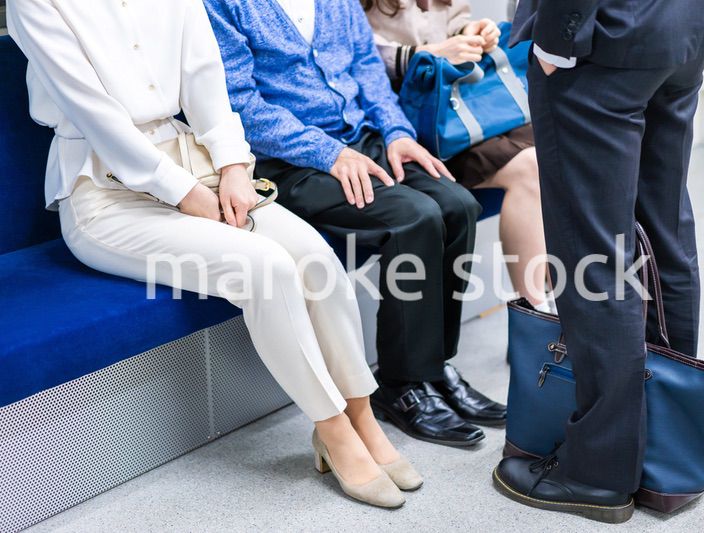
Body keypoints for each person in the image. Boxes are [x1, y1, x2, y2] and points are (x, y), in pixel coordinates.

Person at [7, 0, 421, 509]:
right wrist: (182, 192)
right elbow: (93, 112)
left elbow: (205, 79)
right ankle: (333, 431)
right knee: (264, 266)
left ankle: (361, 414)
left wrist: (233, 166)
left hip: (195, 162)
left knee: (313, 255)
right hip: (104, 192)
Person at [204, 0, 508, 449]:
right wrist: (328, 153)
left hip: (360, 139)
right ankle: (402, 385)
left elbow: (367, 68)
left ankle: (433, 368)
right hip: (287, 162)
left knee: (457, 205)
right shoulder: (223, 5)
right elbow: (241, 104)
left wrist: (397, 133)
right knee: (414, 217)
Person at [493, 0, 704, 524]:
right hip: (683, 28)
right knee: (665, 235)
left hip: (602, 36)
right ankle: (663, 445)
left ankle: (599, 471)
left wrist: (557, 39)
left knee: (593, 256)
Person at [362, 0, 552, 311]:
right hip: (412, 122)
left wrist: (472, 33)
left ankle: (555, 303)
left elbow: (454, 22)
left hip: (461, 105)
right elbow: (360, 59)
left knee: (555, 150)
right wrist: (431, 54)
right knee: (530, 168)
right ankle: (535, 313)